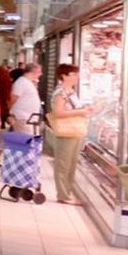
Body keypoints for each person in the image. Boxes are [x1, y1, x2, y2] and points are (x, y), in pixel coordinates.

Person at [46, 64, 90, 205]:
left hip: (75, 131)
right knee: (63, 164)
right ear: (64, 76)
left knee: (71, 164)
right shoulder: (61, 92)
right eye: (74, 74)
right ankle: (63, 195)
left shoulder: (70, 91)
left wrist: (85, 110)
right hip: (66, 132)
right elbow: (58, 113)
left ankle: (67, 193)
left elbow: (72, 108)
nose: (77, 77)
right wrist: (81, 112)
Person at [9, 60, 44, 134]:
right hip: (23, 118)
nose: (41, 74)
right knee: (27, 141)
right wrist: (9, 113)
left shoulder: (28, 82)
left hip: (29, 118)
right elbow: (13, 98)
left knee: (31, 141)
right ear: (34, 71)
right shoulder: (21, 82)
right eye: (39, 72)